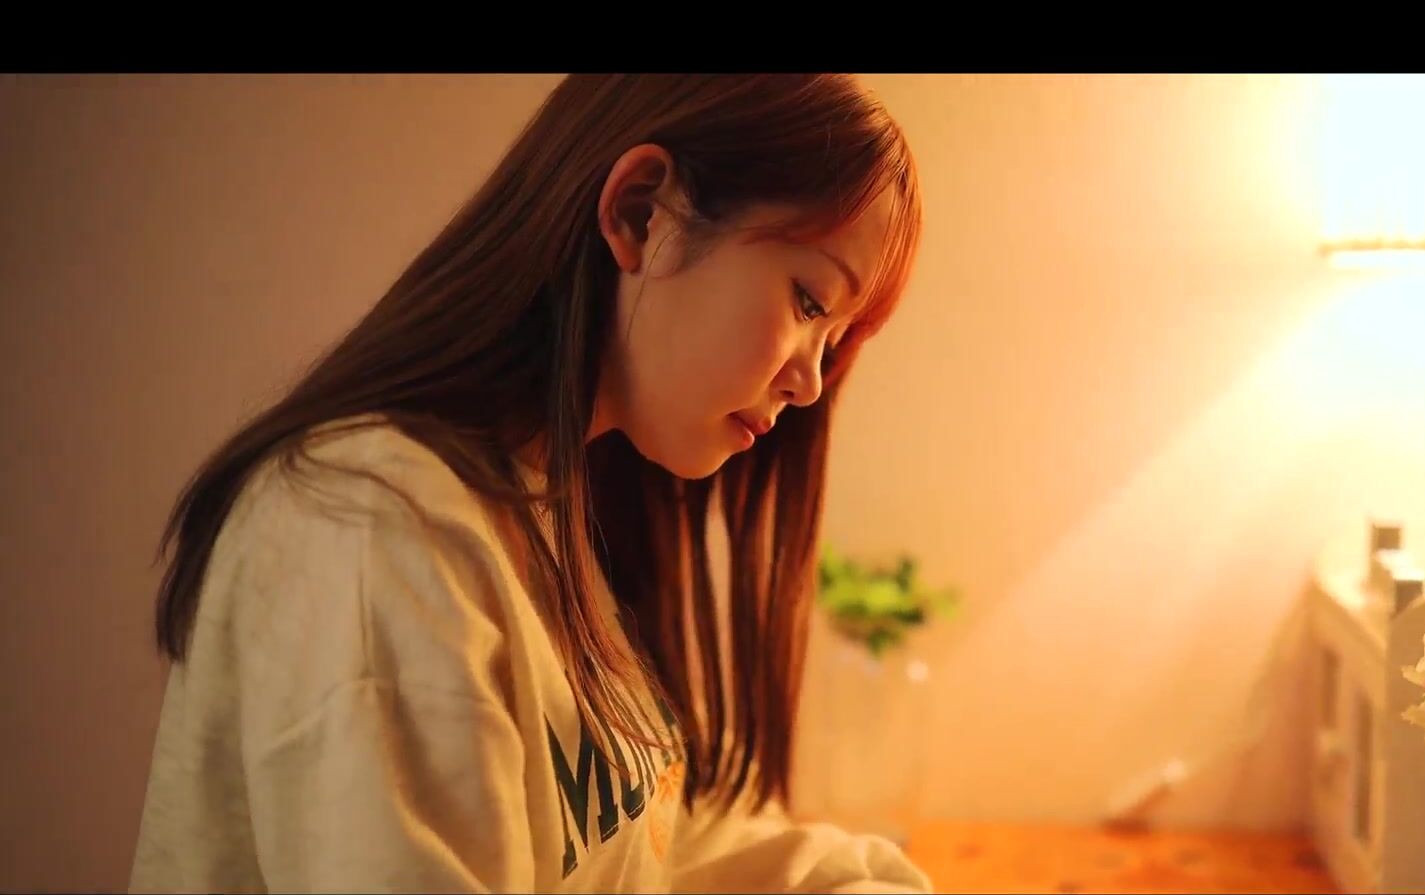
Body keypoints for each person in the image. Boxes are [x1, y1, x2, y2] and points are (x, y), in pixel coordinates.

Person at [128, 73, 931, 894]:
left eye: (834, 338)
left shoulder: (554, 504)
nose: (812, 383)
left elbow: (654, 850)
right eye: (809, 302)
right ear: (642, 214)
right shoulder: (371, 526)